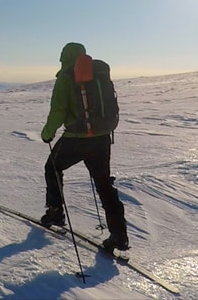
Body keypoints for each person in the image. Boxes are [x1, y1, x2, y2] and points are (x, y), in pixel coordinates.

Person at [39, 42, 130, 251]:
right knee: (104, 184)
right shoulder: (99, 75)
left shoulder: (66, 78)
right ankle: (119, 235)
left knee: (52, 167)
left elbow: (58, 111)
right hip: (102, 138)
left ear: (65, 57)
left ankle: (55, 213)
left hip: (77, 138)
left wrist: (47, 133)